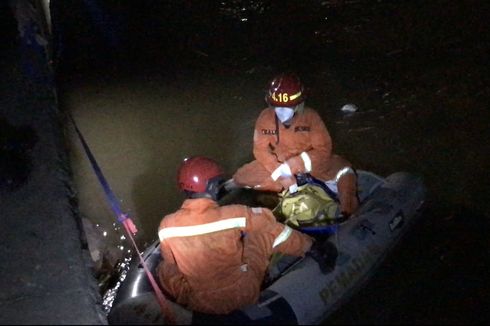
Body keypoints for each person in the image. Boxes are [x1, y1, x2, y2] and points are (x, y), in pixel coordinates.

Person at [156, 156, 314, 315]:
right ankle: (309, 249)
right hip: (242, 293)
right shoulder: (234, 214)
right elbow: (269, 225)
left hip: (200, 303)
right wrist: (309, 245)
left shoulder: (166, 227)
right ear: (212, 187)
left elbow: (170, 267)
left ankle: (186, 300)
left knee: (164, 267)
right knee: (264, 233)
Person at [232, 73, 359, 218]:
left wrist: (294, 165)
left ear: (299, 105)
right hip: (279, 163)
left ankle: (347, 213)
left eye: (287, 108)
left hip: (313, 164)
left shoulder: (311, 117)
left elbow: (324, 149)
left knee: (345, 172)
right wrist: (280, 172)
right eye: (277, 108)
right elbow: (260, 150)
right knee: (243, 176)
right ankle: (269, 190)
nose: (281, 113)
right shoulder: (265, 118)